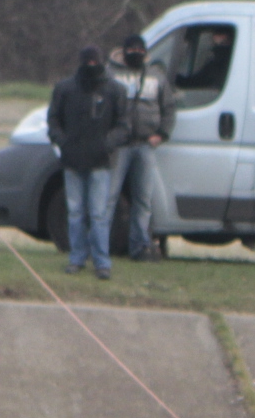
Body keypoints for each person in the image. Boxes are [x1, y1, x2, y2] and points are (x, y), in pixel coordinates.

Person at [46, 44, 130, 280]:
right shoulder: (65, 89)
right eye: (87, 62)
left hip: (101, 162)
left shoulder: (114, 90)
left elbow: (124, 125)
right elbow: (53, 120)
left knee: (98, 214)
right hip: (72, 161)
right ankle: (77, 258)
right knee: (75, 212)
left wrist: (106, 144)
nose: (91, 67)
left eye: (94, 62)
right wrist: (63, 142)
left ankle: (102, 263)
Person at [107, 33, 174, 260]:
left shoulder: (156, 76)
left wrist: (162, 134)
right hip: (119, 146)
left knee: (143, 199)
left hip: (145, 145)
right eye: (131, 49)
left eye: (139, 49)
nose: (136, 53)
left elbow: (169, 108)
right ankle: (100, 247)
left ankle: (139, 248)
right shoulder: (111, 74)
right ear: (123, 51)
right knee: (109, 197)